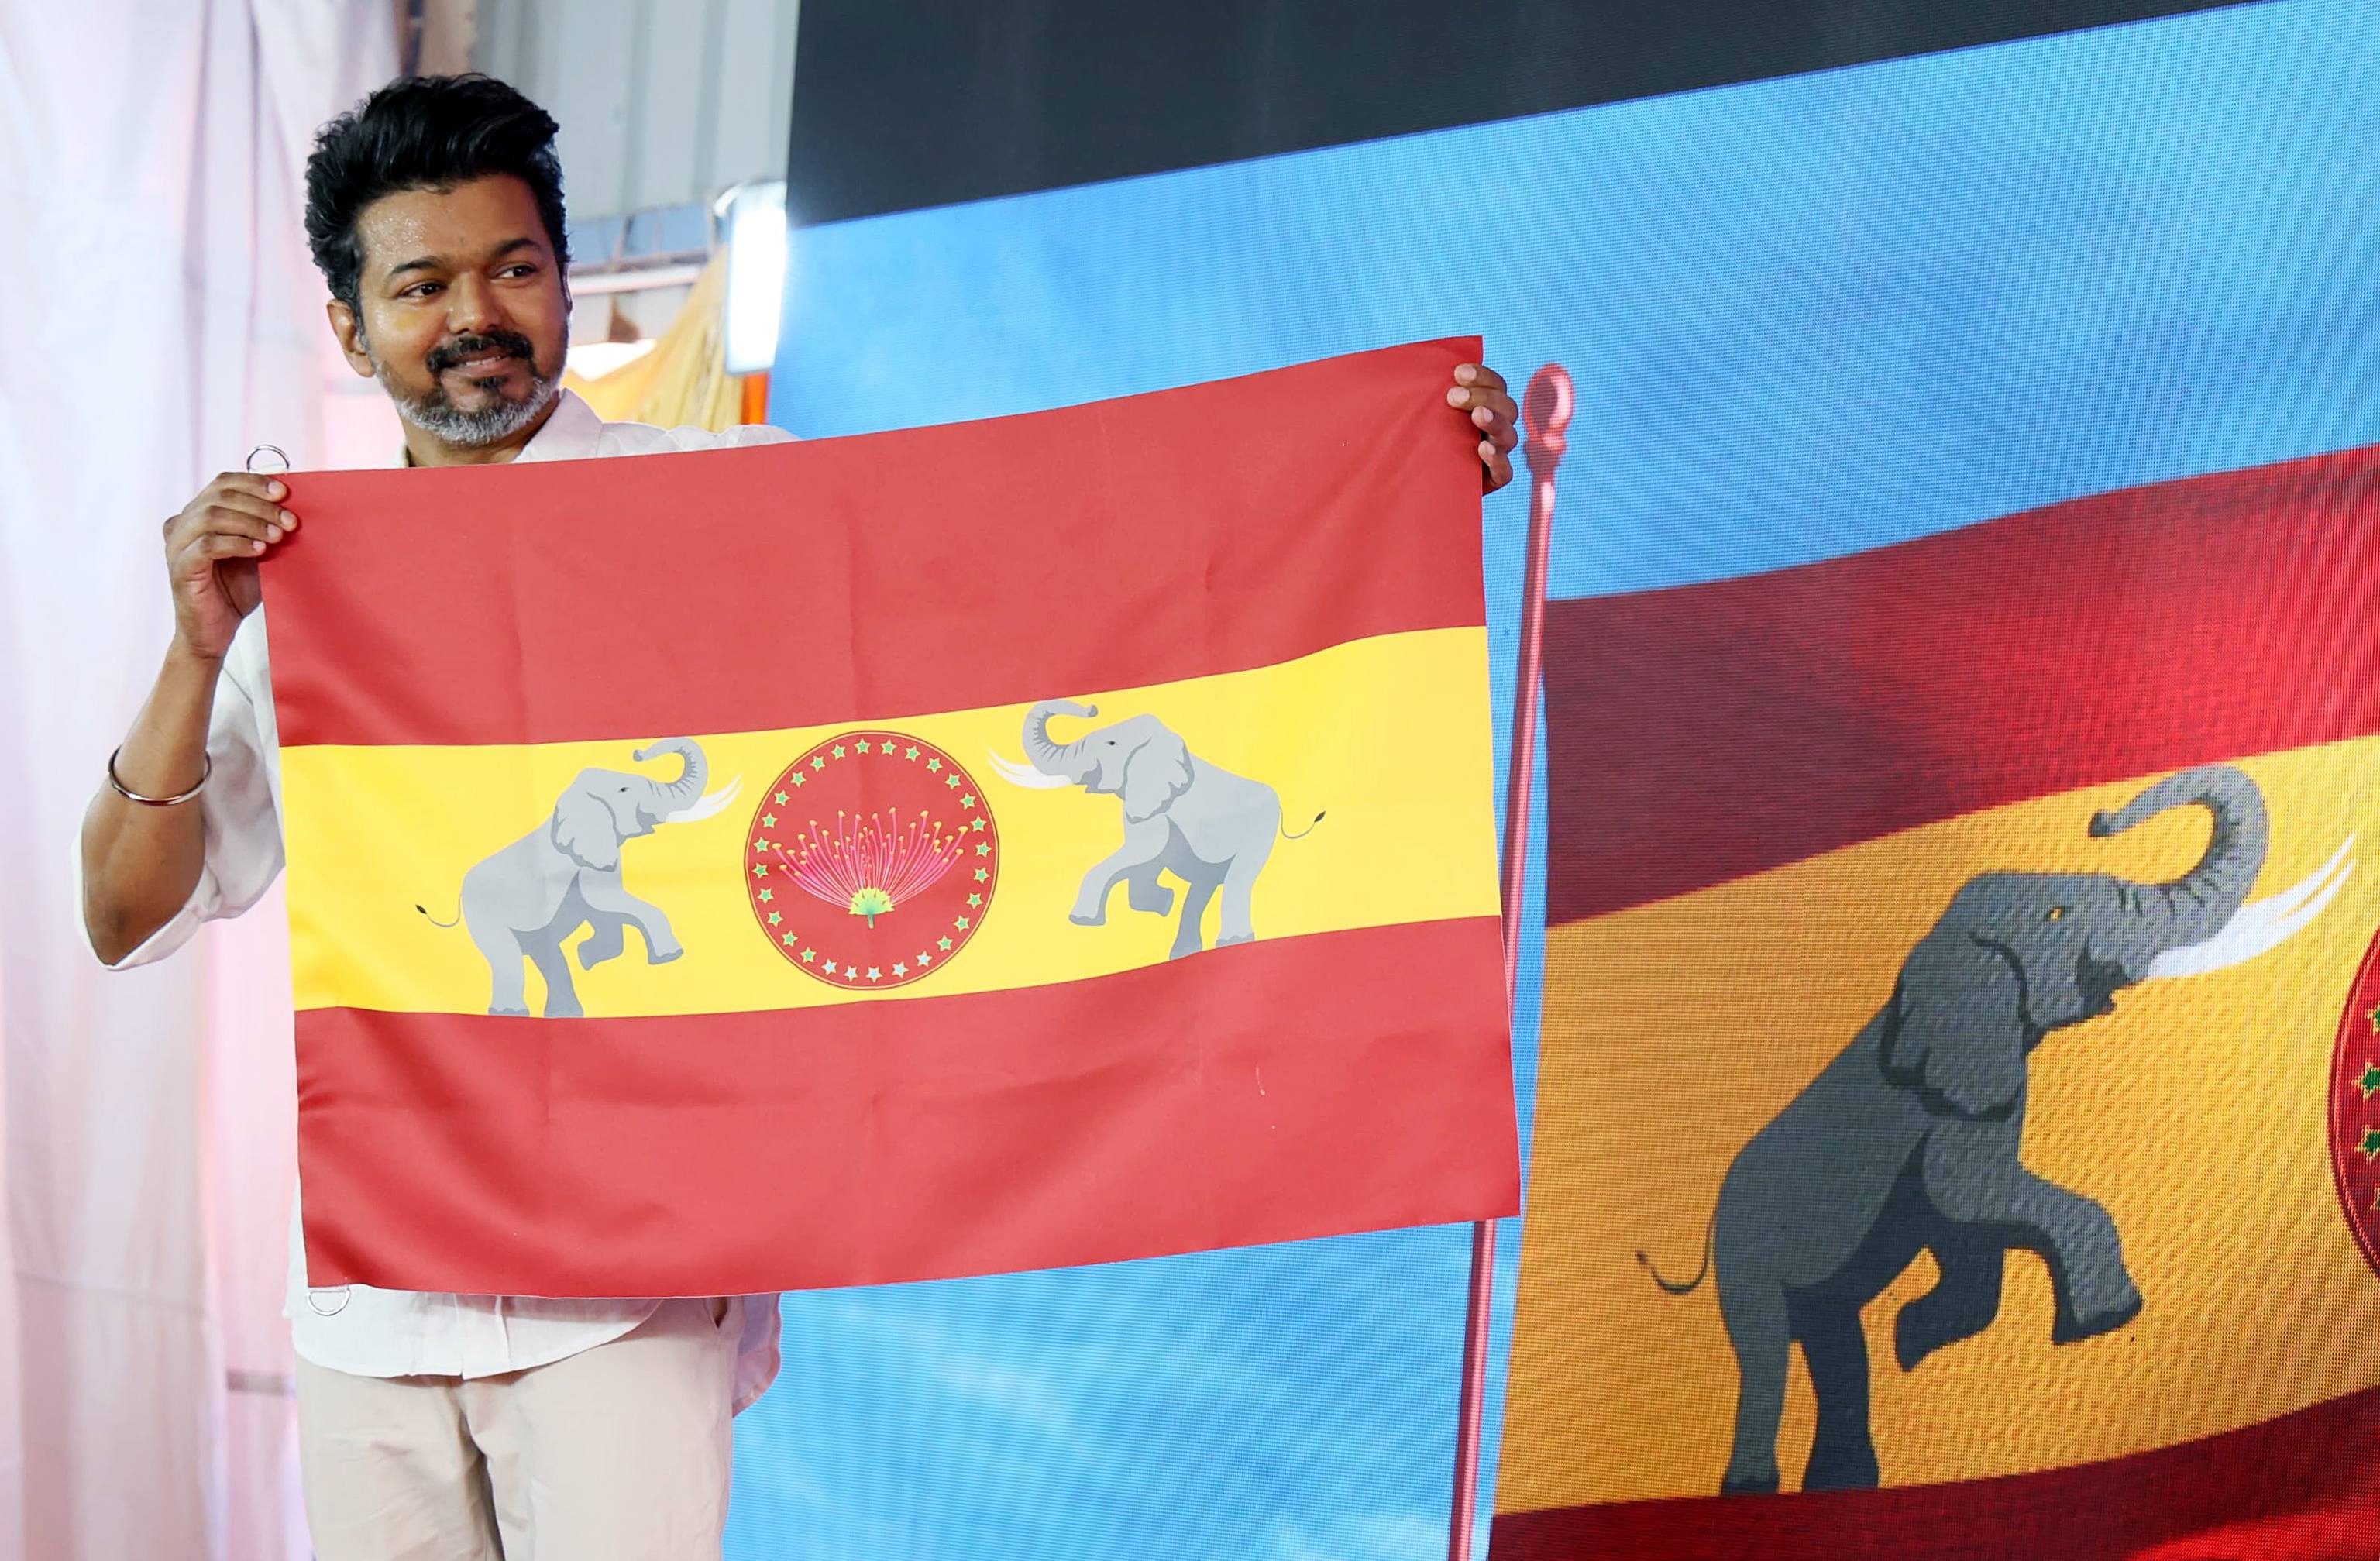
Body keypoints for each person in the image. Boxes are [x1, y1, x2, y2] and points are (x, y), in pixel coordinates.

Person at [77, 72, 1521, 1561]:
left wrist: (1397, 475)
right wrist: (198, 646)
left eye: (514, 268)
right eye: (422, 283)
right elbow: (122, 918)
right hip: (372, 1298)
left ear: (564, 281)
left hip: (621, 1286)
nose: (476, 316)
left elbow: (1076, 583)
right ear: (348, 325)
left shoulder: (732, 509)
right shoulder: (296, 595)